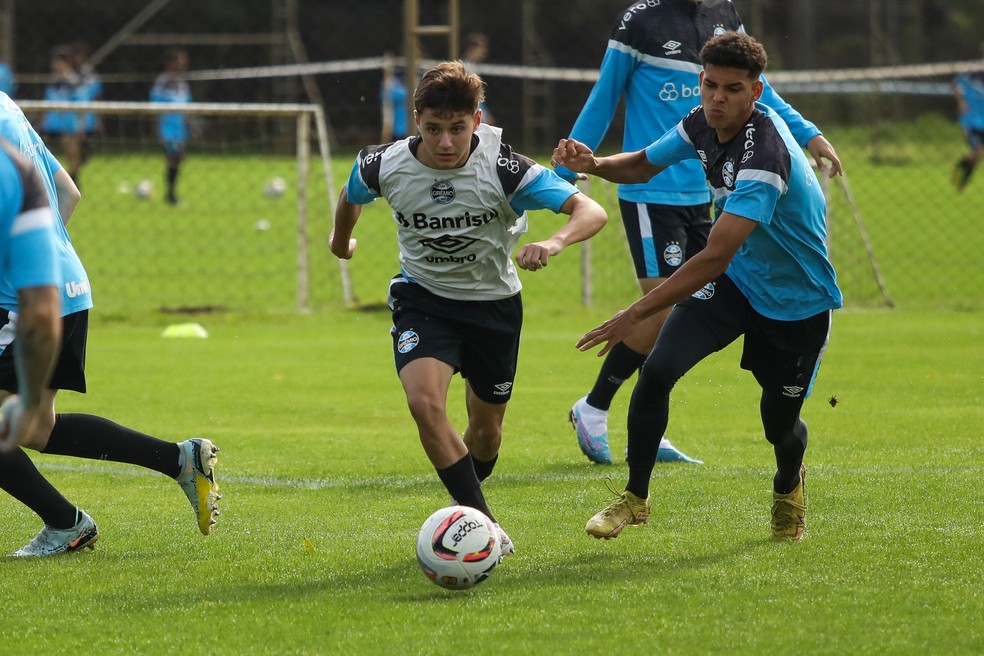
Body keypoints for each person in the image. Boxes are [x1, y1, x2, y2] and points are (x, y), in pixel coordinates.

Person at [553, 32, 842, 542]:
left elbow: (713, 255)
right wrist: (594, 166)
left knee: (778, 424)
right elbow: (643, 163)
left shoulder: (765, 152)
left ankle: (788, 485)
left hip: (797, 303)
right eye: (709, 85)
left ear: (756, 92)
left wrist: (634, 313)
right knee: (658, 369)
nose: (717, 98)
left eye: (732, 89)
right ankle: (635, 498)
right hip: (737, 285)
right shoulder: (702, 123)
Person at [330, 61, 608, 556]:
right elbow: (351, 195)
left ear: (476, 121)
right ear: (416, 119)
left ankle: (469, 501)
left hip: (493, 308)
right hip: (423, 300)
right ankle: (485, 527)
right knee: (424, 404)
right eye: (433, 129)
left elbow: (591, 210)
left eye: (457, 129)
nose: (444, 142)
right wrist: (340, 241)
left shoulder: (506, 169)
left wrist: (555, 241)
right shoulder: (383, 164)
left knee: (486, 433)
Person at [0, 91, 220, 557]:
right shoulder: (5, 106)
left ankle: (67, 523)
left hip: (24, 303)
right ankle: (178, 459)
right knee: (39, 428)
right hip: (70, 286)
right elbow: (69, 193)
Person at [150, 48, 193, 205]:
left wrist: (189, 126)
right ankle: (170, 194)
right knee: (173, 159)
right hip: (167, 127)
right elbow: (155, 104)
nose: (182, 65)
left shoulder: (182, 84)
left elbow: (187, 106)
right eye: (179, 62)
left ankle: (171, 192)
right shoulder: (163, 82)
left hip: (179, 128)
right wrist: (156, 126)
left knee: (178, 159)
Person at [42, 48, 87, 185]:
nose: (55, 65)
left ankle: (73, 177)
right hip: (53, 123)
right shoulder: (53, 82)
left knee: (72, 151)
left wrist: (81, 124)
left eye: (58, 62)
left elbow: (80, 103)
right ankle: (54, 179)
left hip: (68, 122)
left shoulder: (74, 81)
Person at [951, 48, 984, 192]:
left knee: (977, 156)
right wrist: (961, 102)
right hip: (972, 119)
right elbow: (956, 83)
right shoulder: (973, 72)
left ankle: (960, 177)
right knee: (978, 151)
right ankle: (961, 180)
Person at [462, 33, 494, 125]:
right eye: (482, 48)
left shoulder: (473, 68)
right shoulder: (465, 70)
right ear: (472, 49)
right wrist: (485, 114)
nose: (485, 51)